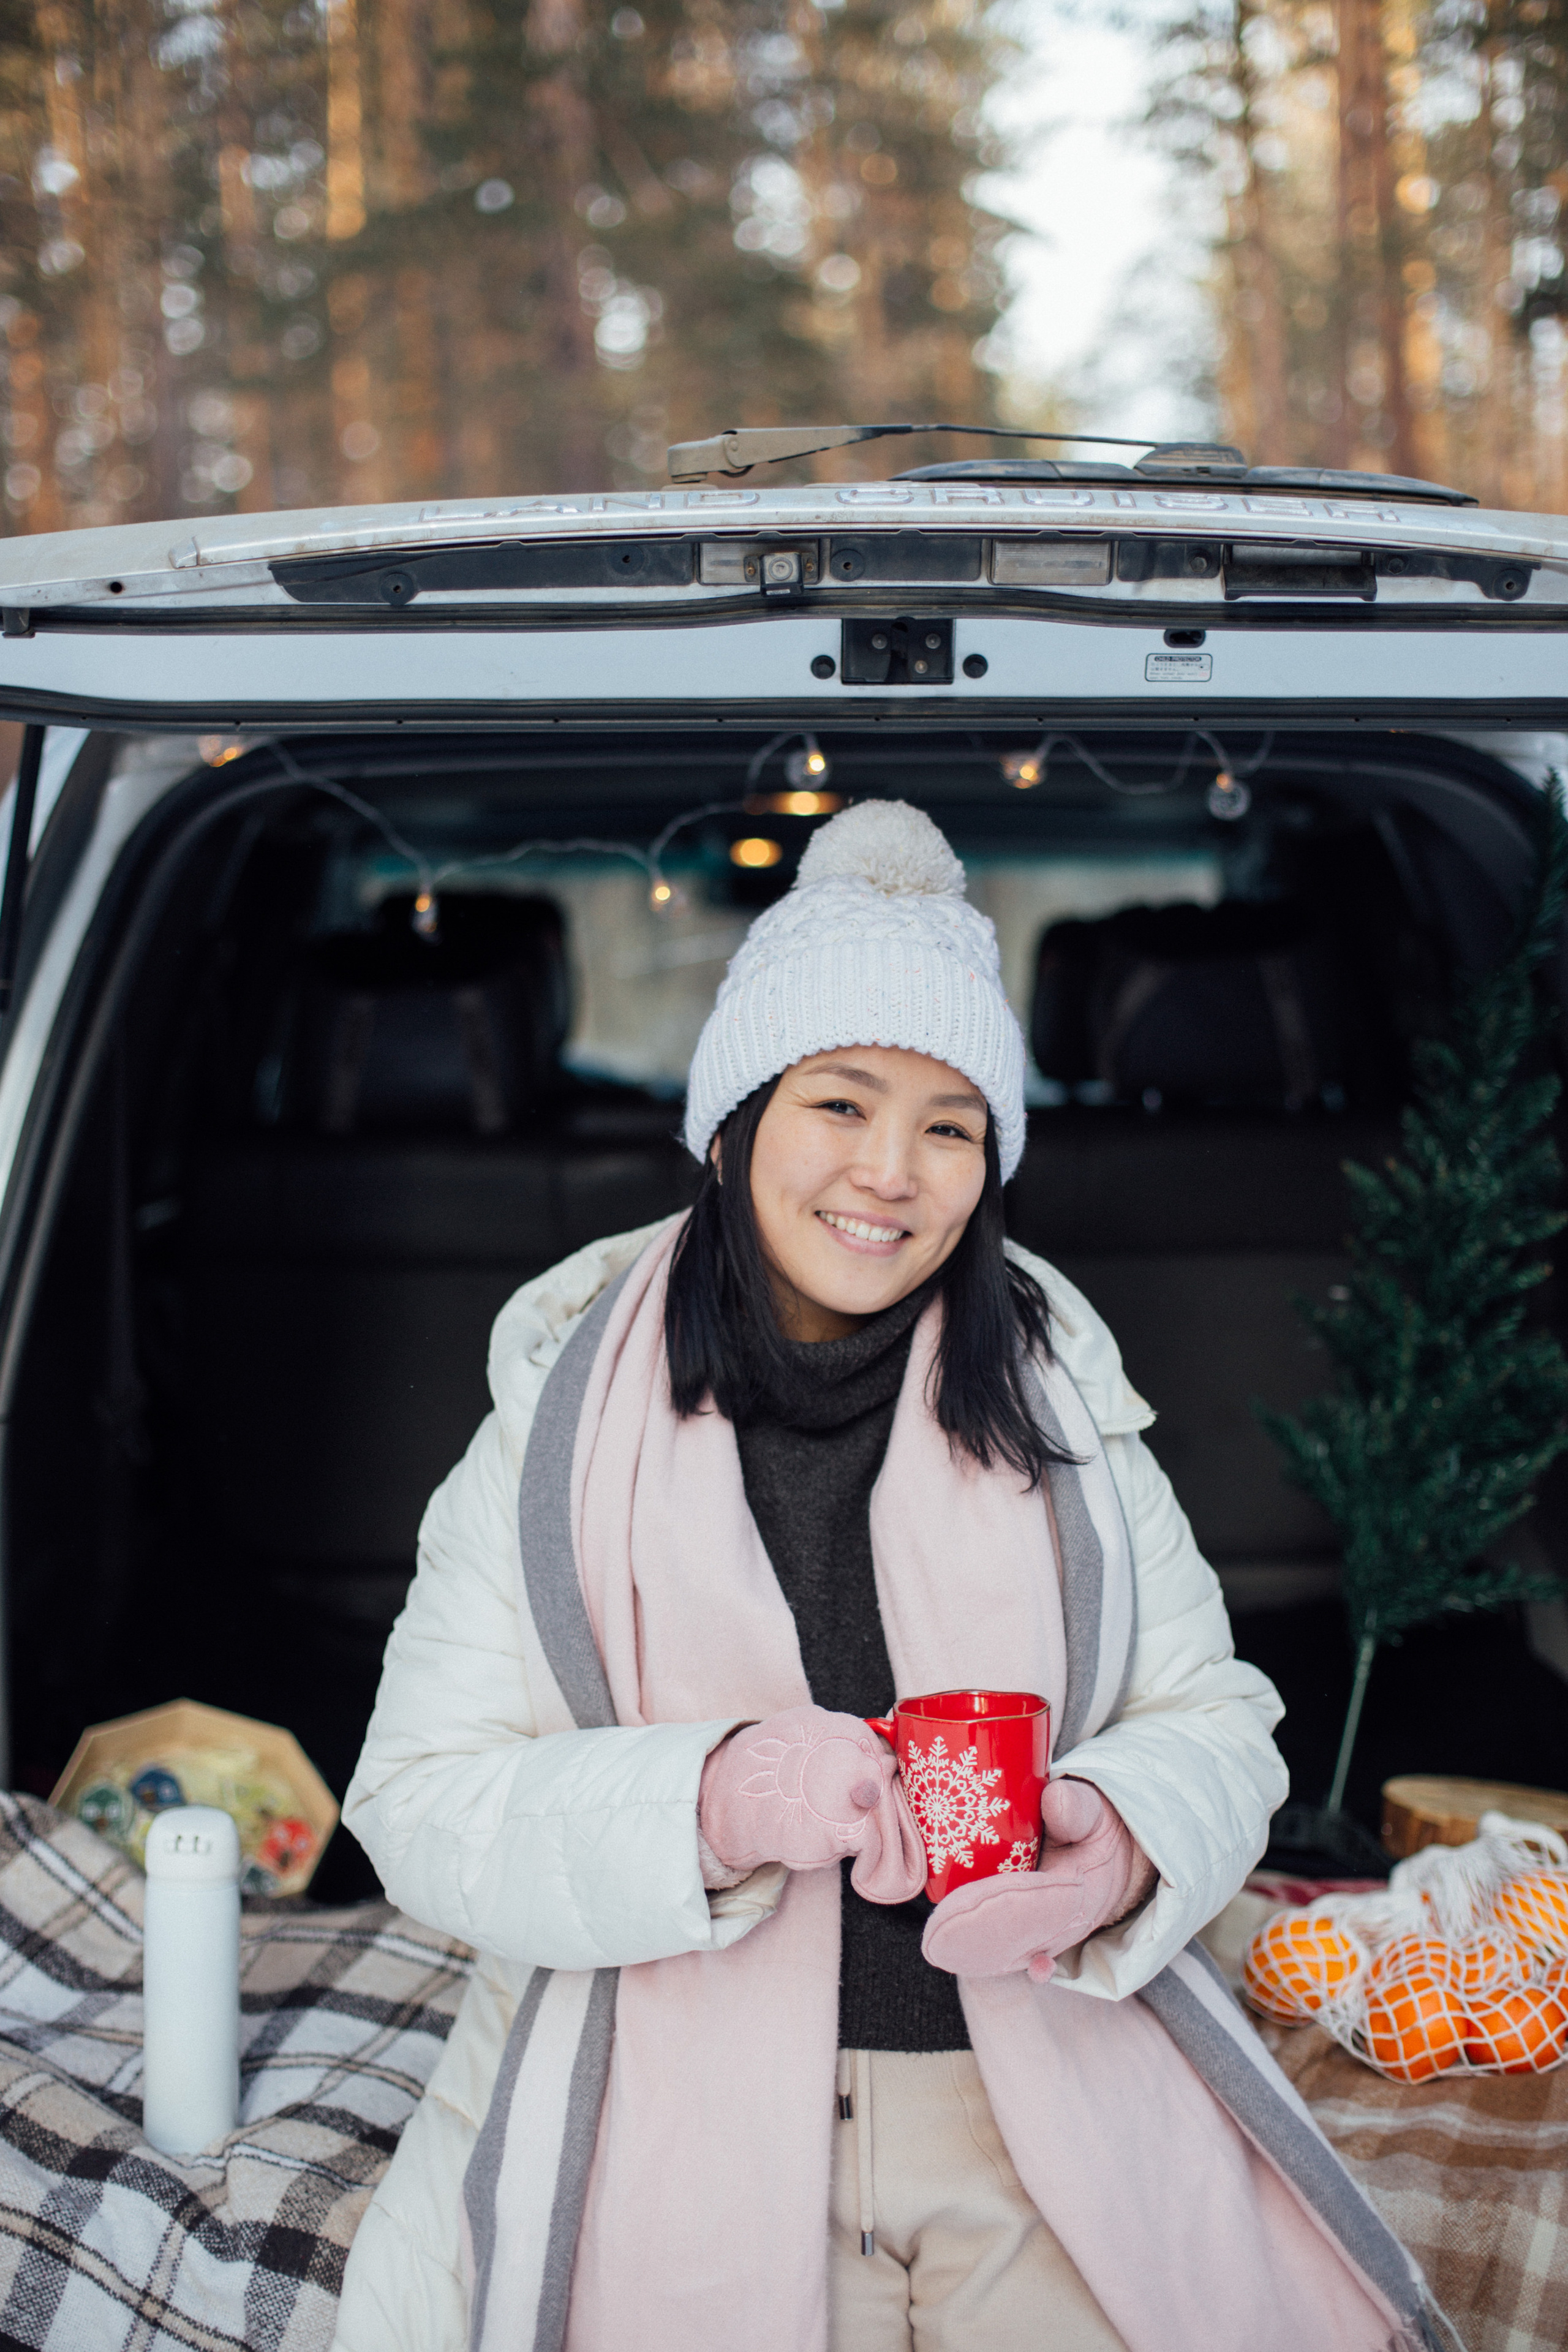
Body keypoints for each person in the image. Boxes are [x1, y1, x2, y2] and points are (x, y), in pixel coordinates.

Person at [332, 802, 1441, 2352]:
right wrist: (703, 1799)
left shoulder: (1060, 1401)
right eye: (839, 1103)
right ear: (732, 1125)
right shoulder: (556, 1424)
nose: (890, 1172)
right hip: (686, 2098)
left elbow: (1216, 1719)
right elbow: (417, 1801)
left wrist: (1118, 1836)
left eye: (948, 1123)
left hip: (1028, 2088)